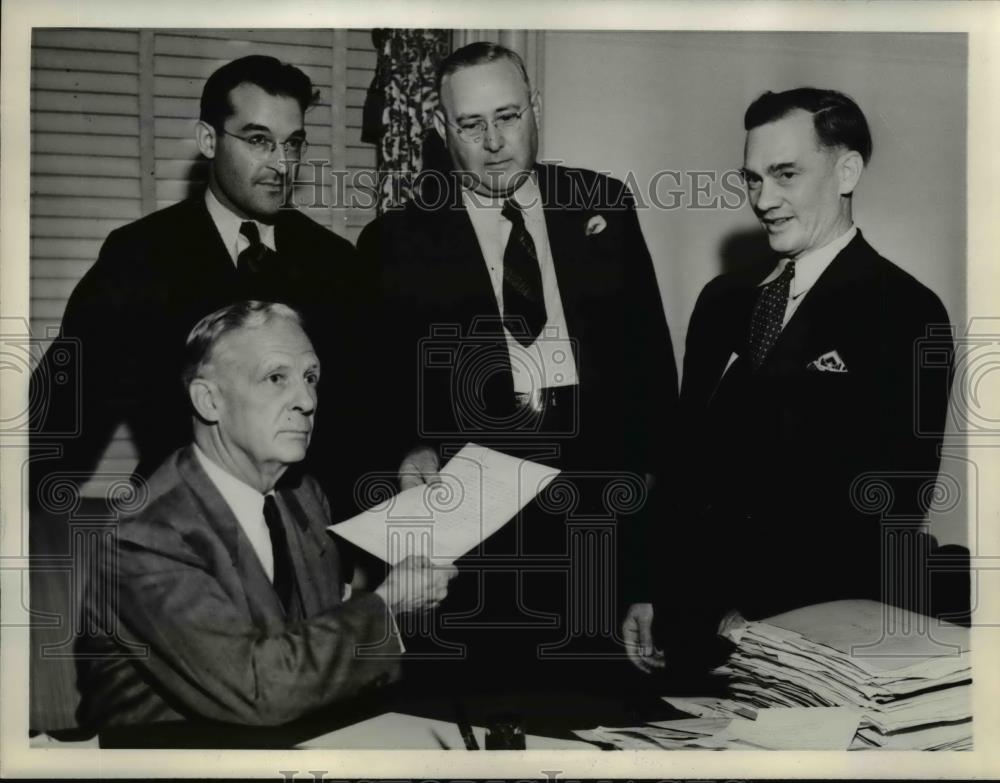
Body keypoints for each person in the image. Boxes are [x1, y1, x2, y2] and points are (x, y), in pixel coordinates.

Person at [358, 42, 678, 690]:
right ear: (442, 131)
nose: (494, 141)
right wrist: (404, 448)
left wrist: (649, 579)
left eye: (507, 116)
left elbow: (653, 406)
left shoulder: (604, 209)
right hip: (470, 576)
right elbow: (366, 404)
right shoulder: (396, 244)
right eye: (471, 125)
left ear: (535, 110)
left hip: (596, 553)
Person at [623, 88, 954, 676]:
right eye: (752, 179)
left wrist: (760, 620)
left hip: (817, 642)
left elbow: (890, 503)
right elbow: (682, 464)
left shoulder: (906, 311)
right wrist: (650, 589)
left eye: (785, 175)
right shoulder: (722, 300)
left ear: (846, 170)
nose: (764, 200)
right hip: (696, 634)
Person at [76, 301, 457, 732]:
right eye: (277, 378)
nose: (307, 400)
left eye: (311, 378)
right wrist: (388, 606)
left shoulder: (303, 497)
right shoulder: (145, 537)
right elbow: (259, 689)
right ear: (209, 400)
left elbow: (313, 643)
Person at [30, 55, 375, 512]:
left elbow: (361, 415)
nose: (281, 164)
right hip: (181, 522)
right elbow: (63, 412)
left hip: (308, 525)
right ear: (208, 140)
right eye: (258, 140)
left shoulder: (335, 262)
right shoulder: (138, 256)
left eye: (292, 144)